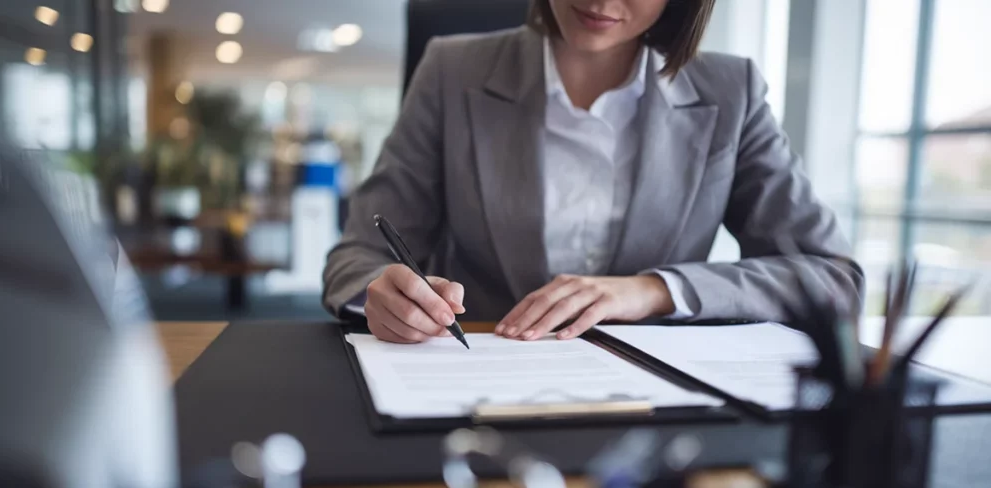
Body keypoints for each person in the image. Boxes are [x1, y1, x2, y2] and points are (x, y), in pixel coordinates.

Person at [323, 0, 862, 344]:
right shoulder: (451, 71)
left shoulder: (731, 92)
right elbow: (356, 256)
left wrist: (652, 291)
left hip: (655, 402)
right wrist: (382, 290)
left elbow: (834, 279)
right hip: (475, 381)